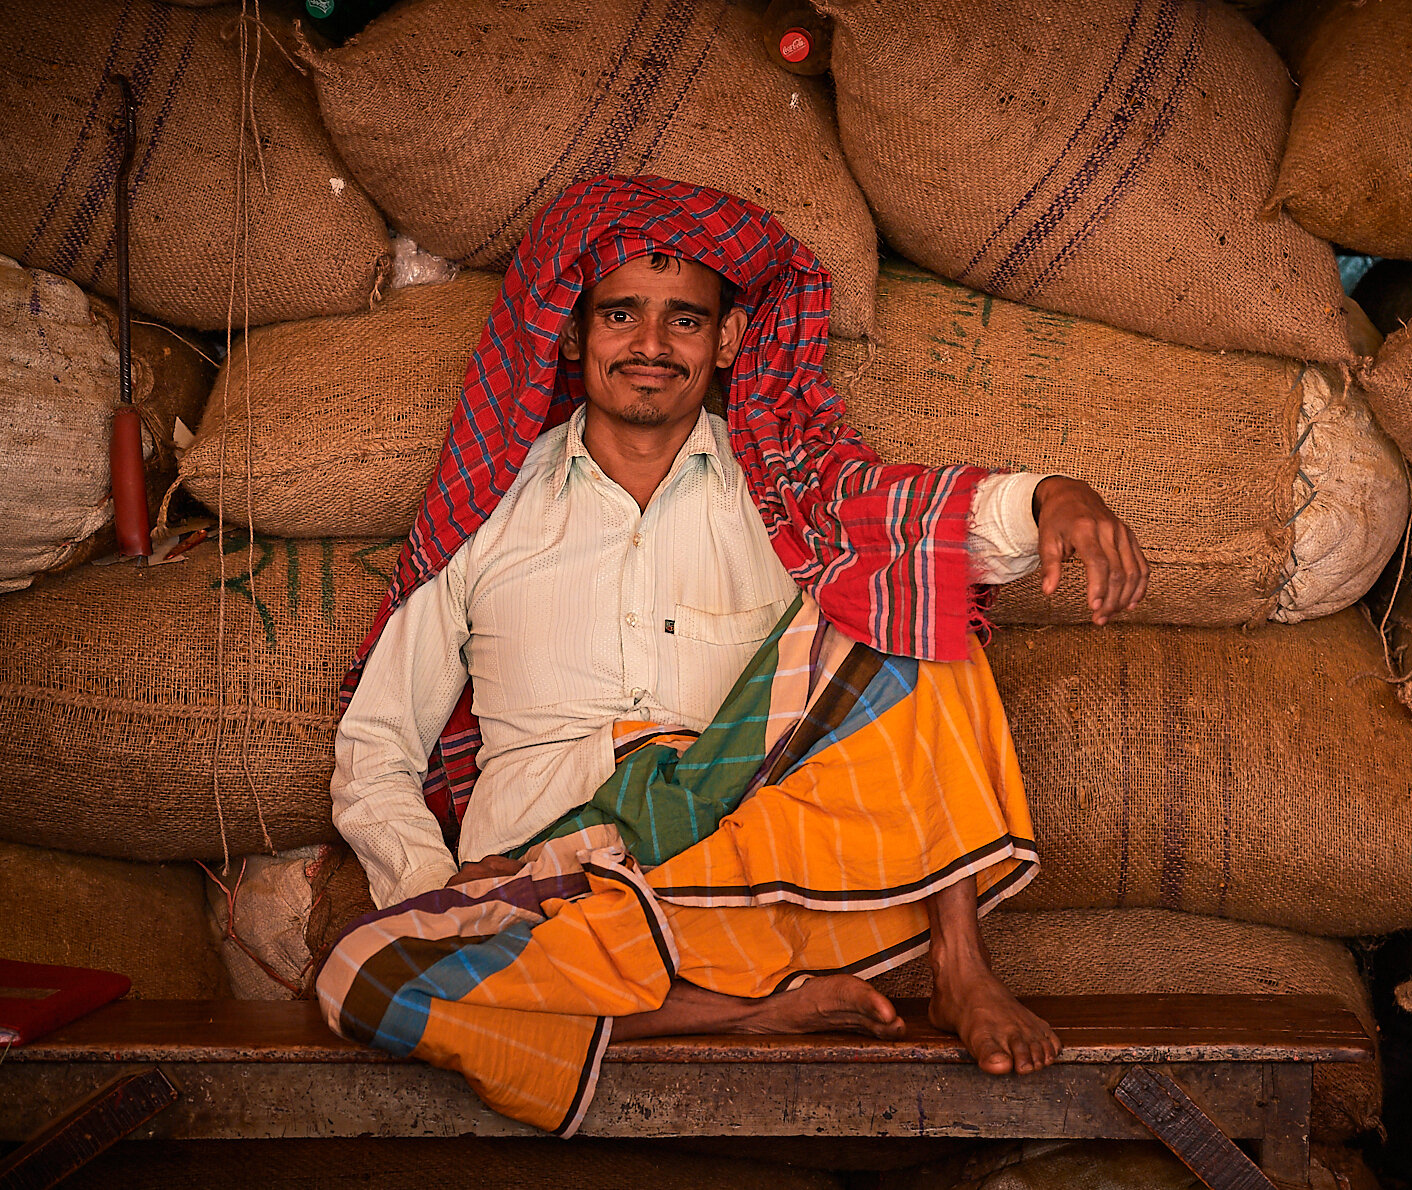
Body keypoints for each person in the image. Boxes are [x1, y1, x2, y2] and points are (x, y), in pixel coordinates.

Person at [319, 176, 1147, 1135]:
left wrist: (1053, 495)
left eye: (685, 321)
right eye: (622, 314)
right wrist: (436, 883)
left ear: (728, 342)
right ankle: (757, 1014)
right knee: (359, 979)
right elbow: (376, 746)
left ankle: (961, 971)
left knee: (910, 592)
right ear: (572, 333)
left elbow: (910, 520)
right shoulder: (488, 510)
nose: (652, 346)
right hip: (560, 889)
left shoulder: (778, 487)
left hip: (740, 862)